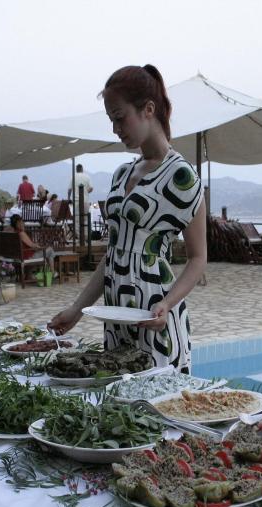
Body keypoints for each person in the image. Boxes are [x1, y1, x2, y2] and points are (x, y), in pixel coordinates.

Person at [49, 65, 206, 372]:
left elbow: (198, 258)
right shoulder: (122, 174)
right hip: (116, 315)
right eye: (111, 119)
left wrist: (168, 303)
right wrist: (77, 309)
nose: (115, 128)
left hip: (154, 315)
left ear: (148, 109)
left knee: (159, 397)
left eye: (119, 117)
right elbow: (115, 254)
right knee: (118, 394)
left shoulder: (182, 176)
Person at [68, 164, 93, 235]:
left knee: (77, 219)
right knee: (85, 218)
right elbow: (91, 188)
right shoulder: (87, 177)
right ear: (82, 169)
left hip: (76, 201)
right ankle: (86, 235)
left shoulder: (73, 177)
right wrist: (86, 192)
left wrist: (69, 198)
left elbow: (69, 189)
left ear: (76, 169)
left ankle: (79, 236)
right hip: (85, 200)